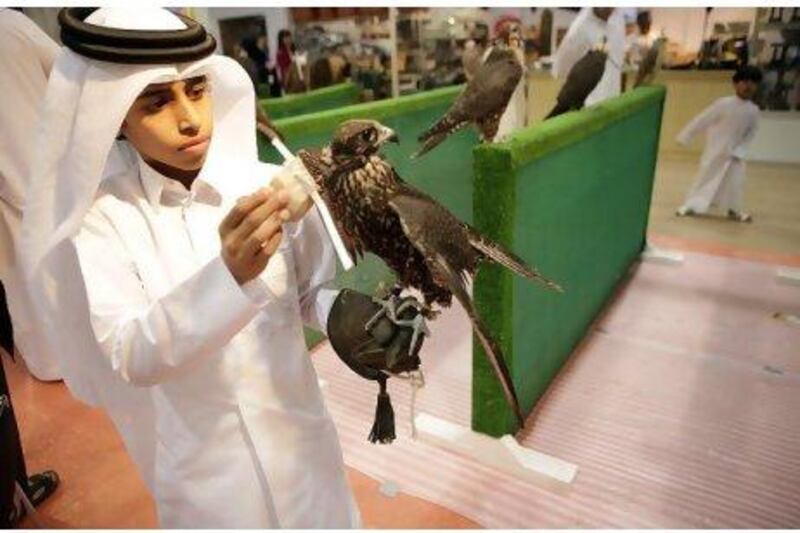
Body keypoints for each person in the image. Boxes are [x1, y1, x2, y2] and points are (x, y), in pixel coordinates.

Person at [20, 7, 424, 528]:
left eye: (197, 90)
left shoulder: (257, 182)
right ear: (115, 113)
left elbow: (296, 291)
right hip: (207, 478)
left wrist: (338, 312)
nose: (189, 118)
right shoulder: (101, 220)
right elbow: (130, 354)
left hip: (304, 453)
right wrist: (227, 277)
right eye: (156, 101)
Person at [0, 7, 62, 382]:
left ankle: (50, 360)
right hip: (45, 171)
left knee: (24, 280)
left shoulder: (10, 24)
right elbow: (65, 72)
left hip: (19, 181)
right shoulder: (13, 25)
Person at [675, 66, 762, 222]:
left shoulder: (754, 110)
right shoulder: (723, 104)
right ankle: (690, 205)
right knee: (705, 176)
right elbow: (703, 119)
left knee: (736, 182)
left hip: (736, 155)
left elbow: (751, 134)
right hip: (716, 150)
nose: (748, 86)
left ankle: (734, 210)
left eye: (753, 83)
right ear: (735, 84)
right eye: (744, 81)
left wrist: (740, 150)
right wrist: (686, 135)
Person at [552, 7, 626, 107]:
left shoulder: (618, 18)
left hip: (614, 100)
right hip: (590, 106)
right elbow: (561, 69)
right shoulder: (579, 28)